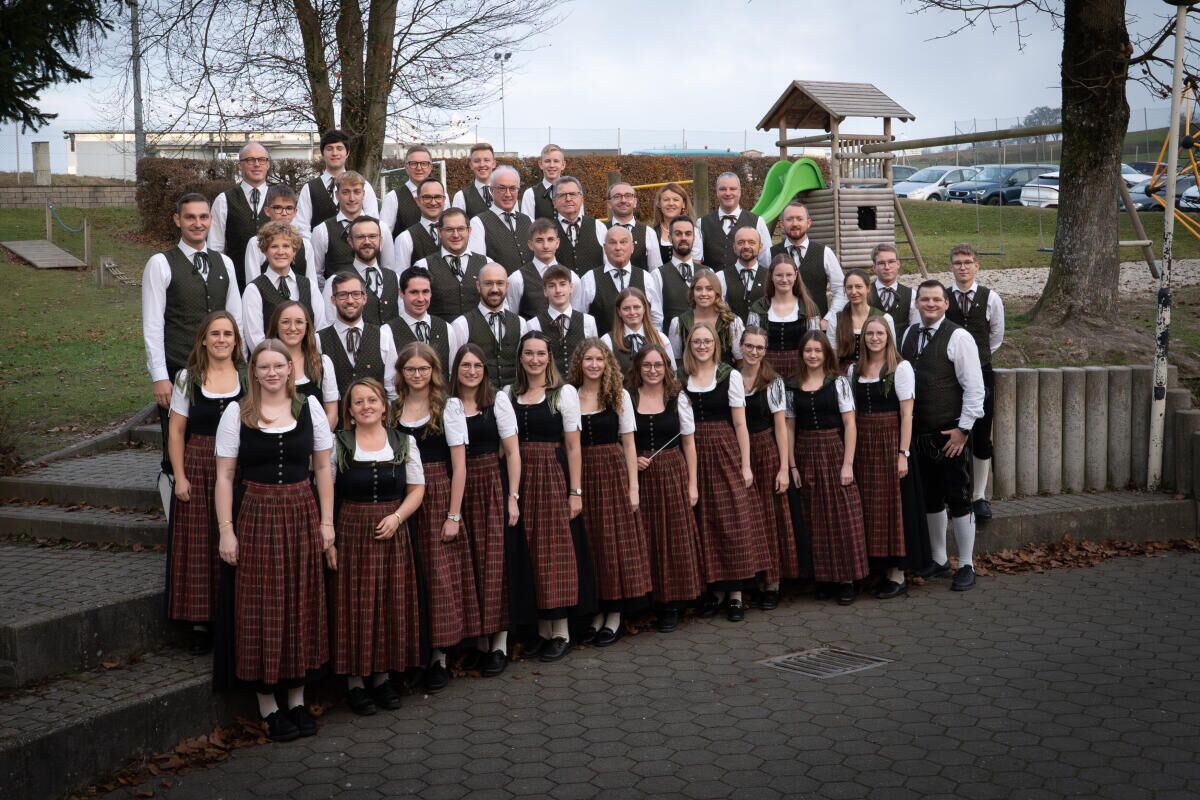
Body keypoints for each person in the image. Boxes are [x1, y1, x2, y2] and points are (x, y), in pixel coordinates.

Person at [213, 339, 335, 742]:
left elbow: (323, 468)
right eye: (263, 366)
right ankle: (268, 704)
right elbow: (224, 476)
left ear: (289, 369)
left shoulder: (310, 407)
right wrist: (226, 530)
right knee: (261, 603)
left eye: (278, 366)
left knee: (300, 600)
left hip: (301, 512)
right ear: (254, 372)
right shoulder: (238, 412)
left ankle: (297, 699)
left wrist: (327, 523)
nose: (271, 373)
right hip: (256, 514)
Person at [142, 192, 243, 515]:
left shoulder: (224, 262)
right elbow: (152, 324)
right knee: (176, 444)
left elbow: (235, 318)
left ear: (210, 220)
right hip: (178, 367)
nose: (198, 223)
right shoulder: (161, 263)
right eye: (190, 217)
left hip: (222, 372)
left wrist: (239, 365)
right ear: (178, 220)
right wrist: (159, 376)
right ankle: (177, 517)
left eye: (203, 217)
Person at [330, 378, 425, 716]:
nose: (366, 406)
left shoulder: (404, 442)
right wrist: (329, 540)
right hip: (351, 530)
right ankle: (356, 683)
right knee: (354, 605)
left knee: (388, 602)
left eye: (372, 400)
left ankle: (383, 678)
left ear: (385, 406)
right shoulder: (338, 444)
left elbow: (417, 489)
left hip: (392, 530)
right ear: (350, 410)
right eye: (358, 402)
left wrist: (397, 518)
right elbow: (326, 491)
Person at [393, 342, 480, 692]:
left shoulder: (448, 407)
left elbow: (459, 466)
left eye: (423, 369)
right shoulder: (393, 408)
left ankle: (439, 657)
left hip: (438, 491)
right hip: (402, 494)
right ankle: (414, 655)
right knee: (410, 576)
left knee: (438, 576)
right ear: (401, 373)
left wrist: (453, 515)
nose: (417, 375)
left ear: (433, 371)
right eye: (410, 369)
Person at [507, 331, 594, 662]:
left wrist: (575, 491)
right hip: (521, 475)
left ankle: (561, 631)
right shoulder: (511, 394)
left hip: (552, 475)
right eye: (528, 353)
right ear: (520, 357)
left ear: (549, 357)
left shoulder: (562, 393)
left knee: (554, 550)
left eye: (540, 353)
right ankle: (541, 630)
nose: (534, 359)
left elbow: (573, 446)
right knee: (529, 550)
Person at [166, 311, 245, 655]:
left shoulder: (247, 376)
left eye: (228, 334)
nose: (221, 340)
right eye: (215, 333)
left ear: (236, 341)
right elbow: (176, 430)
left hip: (237, 465)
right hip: (199, 462)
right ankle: (200, 621)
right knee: (201, 540)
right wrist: (180, 476)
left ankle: (232, 614)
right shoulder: (189, 377)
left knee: (234, 535)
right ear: (203, 340)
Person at [450, 345, 530, 677]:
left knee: (494, 562)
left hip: (491, 486)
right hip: (459, 488)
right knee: (469, 564)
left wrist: (513, 496)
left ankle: (499, 644)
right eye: (465, 365)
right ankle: (479, 643)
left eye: (477, 365)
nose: (472, 371)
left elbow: (512, 452)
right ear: (456, 369)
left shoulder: (497, 401)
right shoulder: (449, 404)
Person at [900, 280, 985, 592]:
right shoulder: (909, 334)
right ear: (917, 303)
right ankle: (938, 558)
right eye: (925, 299)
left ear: (946, 303)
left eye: (937, 299)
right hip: (919, 434)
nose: (931, 304)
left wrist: (963, 430)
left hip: (951, 433)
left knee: (959, 498)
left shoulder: (959, 337)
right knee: (931, 498)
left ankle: (966, 564)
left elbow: (975, 388)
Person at [568, 339, 651, 646]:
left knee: (612, 543)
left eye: (599, 359)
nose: (594, 365)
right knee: (591, 542)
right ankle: (597, 611)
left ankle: (614, 614)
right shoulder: (571, 395)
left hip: (613, 471)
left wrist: (633, 487)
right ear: (580, 363)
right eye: (588, 359)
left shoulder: (619, 395)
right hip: (583, 472)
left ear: (607, 363)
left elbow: (629, 444)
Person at [682, 322, 762, 622]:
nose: (702, 346)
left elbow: (740, 423)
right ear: (689, 345)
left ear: (716, 344)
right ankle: (715, 591)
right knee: (706, 519)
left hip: (724, 448)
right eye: (697, 341)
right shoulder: (682, 377)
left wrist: (745, 464)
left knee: (732, 519)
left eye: (707, 341)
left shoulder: (730, 375)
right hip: (693, 450)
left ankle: (736, 593)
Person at [850, 317, 930, 599]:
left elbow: (907, 414)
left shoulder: (900, 368)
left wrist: (902, 453)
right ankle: (878, 569)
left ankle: (897, 574)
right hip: (864, 444)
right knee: (871, 506)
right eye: (869, 333)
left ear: (889, 336)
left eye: (880, 333)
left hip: (890, 440)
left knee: (893, 506)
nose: (874, 338)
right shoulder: (854, 369)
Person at [788, 331, 868, 606]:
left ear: (826, 354)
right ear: (801, 354)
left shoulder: (838, 382)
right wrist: (792, 465)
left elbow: (850, 424)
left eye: (817, 351)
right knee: (813, 514)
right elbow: (789, 427)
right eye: (808, 350)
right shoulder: (792, 385)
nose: (812, 355)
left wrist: (848, 464)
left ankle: (846, 580)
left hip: (833, 448)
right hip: (805, 450)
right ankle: (823, 578)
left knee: (841, 514)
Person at [626, 345, 703, 632]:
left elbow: (689, 443)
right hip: (642, 478)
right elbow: (622, 440)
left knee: (672, 537)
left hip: (672, 473)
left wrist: (692, 485)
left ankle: (671, 603)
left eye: (658, 365)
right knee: (645, 536)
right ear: (638, 368)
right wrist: (633, 459)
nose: (653, 370)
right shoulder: (628, 397)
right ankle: (649, 601)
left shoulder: (677, 398)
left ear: (666, 367)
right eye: (647, 365)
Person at [738, 326, 798, 611]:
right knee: (745, 517)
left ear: (765, 351)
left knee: (769, 517)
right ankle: (750, 579)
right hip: (736, 452)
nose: (754, 352)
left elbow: (781, 427)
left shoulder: (773, 382)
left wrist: (784, 468)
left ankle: (772, 583)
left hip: (765, 451)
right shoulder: (731, 377)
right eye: (749, 346)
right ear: (741, 347)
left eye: (759, 347)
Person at [944, 244, 1004, 521]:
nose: (963, 267)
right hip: (950, 376)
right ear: (951, 267)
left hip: (982, 372)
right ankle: (955, 494)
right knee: (952, 432)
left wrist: (976, 359)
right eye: (957, 263)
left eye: (968, 262)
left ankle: (979, 496)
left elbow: (996, 336)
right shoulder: (943, 298)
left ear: (977, 265)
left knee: (981, 433)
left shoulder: (991, 298)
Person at [317, 271, 399, 402]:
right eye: (343, 295)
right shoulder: (318, 340)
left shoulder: (383, 336)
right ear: (333, 300)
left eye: (356, 294)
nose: (350, 301)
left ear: (364, 298)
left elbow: (392, 389)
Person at [242, 221, 325, 351]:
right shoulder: (254, 290)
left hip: (307, 359)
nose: (280, 252)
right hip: (270, 362)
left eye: (286, 246)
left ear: (294, 251)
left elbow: (320, 330)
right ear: (265, 251)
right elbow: (255, 339)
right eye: (274, 246)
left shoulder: (310, 286)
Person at [575, 225, 664, 338]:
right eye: (613, 243)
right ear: (605, 248)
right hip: (604, 347)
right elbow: (581, 320)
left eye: (623, 242)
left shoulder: (646, 278)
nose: (618, 247)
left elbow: (656, 319)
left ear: (632, 247)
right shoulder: (589, 279)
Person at [451, 263, 528, 388]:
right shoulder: (461, 324)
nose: (494, 289)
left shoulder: (521, 323)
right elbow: (453, 369)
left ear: (507, 286)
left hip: (513, 396)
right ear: (478, 286)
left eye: (500, 283)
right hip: (478, 396)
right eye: (488, 283)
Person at [747, 253, 821, 381]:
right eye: (779, 275)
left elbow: (815, 344)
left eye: (789, 275)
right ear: (771, 276)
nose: (784, 279)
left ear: (796, 275)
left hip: (801, 370)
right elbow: (751, 343)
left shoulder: (808, 307)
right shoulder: (759, 308)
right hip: (766, 370)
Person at [208, 142, 271, 290]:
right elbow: (215, 245)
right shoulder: (224, 200)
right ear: (239, 166)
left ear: (268, 165)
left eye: (261, 160)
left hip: (275, 282)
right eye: (250, 160)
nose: (257, 164)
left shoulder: (279, 198)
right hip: (236, 282)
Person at [311, 173, 395, 284]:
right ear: (337, 195)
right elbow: (316, 275)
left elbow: (388, 269)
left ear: (363, 194)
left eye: (357, 192)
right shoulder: (322, 231)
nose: (352, 198)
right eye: (345, 192)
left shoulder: (381, 228)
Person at [267, 301, 339, 429]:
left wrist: (319, 441)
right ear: (276, 326)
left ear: (307, 327)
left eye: (299, 322)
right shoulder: (263, 364)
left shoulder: (322, 364)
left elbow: (332, 413)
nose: (292, 328)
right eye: (285, 322)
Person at [296, 129, 379, 237]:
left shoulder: (364, 186)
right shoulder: (309, 188)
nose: (335, 153)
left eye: (339, 148)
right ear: (322, 153)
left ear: (347, 153)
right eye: (329, 149)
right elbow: (302, 228)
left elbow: (373, 222)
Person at [320, 217, 399, 327]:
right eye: (360, 237)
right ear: (350, 242)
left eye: (372, 236)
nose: (367, 241)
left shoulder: (395, 278)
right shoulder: (335, 280)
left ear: (380, 240)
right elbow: (328, 326)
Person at [770, 202, 846, 317]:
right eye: (789, 219)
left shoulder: (825, 253)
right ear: (781, 224)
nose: (795, 223)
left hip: (816, 324)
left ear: (808, 223)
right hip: (781, 323)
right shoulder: (769, 254)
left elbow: (841, 289)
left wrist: (829, 319)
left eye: (799, 219)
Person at [387, 266, 461, 379]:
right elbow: (390, 381)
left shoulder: (447, 328)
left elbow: (452, 374)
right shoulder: (387, 332)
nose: (421, 299)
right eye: (414, 292)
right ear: (401, 293)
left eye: (425, 292)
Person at [415, 208, 486, 323]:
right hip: (440, 332)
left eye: (461, 229)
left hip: (477, 332)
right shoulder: (423, 266)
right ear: (439, 232)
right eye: (449, 230)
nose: (456, 235)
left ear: (469, 231)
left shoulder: (487, 264)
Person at [528, 265, 597, 376]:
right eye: (552, 286)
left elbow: (594, 357)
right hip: (549, 385)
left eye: (562, 284)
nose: (558, 290)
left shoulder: (588, 321)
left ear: (571, 287)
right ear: (545, 291)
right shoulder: (533, 324)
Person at [244, 186, 318, 286]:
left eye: (289, 208)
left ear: (295, 212)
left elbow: (312, 284)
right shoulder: (256, 243)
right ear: (267, 211)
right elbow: (253, 284)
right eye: (277, 208)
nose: (284, 213)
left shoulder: (305, 245)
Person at [506, 218, 580, 319]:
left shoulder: (572, 278)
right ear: (530, 245)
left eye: (550, 239)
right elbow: (512, 319)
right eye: (539, 240)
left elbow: (577, 316)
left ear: (557, 243)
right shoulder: (517, 279)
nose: (545, 246)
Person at [669, 268, 745, 366]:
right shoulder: (679, 323)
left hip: (723, 374)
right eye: (698, 289)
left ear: (717, 292)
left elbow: (741, 361)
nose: (703, 294)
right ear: (692, 292)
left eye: (709, 289)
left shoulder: (731, 322)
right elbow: (677, 361)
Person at [826, 268, 895, 374]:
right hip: (844, 375)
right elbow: (832, 356)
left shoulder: (885, 318)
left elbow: (891, 353)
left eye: (858, 286)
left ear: (868, 288)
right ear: (844, 290)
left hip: (876, 374)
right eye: (849, 287)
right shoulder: (836, 319)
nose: (854, 292)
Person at [699, 172, 771, 271]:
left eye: (732, 189)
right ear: (717, 192)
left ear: (740, 192)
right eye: (723, 189)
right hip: (712, 280)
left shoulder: (758, 222)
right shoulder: (701, 223)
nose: (728, 193)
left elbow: (767, 262)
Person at [468, 165, 533, 274]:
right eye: (502, 188)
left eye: (512, 188)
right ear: (491, 190)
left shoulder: (530, 221)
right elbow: (478, 266)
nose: (508, 194)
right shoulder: (478, 223)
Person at [600, 287, 676, 375]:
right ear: (619, 311)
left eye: (636, 307)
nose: (632, 312)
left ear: (644, 308)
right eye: (626, 308)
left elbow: (672, 374)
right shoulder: (607, 341)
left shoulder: (661, 338)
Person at [381, 145, 446, 236]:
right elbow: (384, 235)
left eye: (424, 163)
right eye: (413, 163)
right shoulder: (392, 197)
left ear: (430, 167)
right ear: (406, 167)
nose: (419, 168)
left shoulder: (442, 195)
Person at [551, 176, 607, 276]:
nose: (568, 199)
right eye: (562, 195)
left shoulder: (598, 227)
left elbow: (608, 264)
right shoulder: (547, 230)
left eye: (572, 194)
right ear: (554, 202)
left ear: (582, 199)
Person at [393, 178, 451, 272]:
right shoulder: (405, 238)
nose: (433, 202)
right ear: (417, 201)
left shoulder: (457, 234)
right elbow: (401, 276)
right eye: (427, 197)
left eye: (438, 197)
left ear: (444, 200)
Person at [659, 215, 702, 336]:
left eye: (688, 234)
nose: (683, 238)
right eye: (678, 234)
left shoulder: (708, 272)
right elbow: (656, 318)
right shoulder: (658, 275)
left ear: (694, 238)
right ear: (670, 238)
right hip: (670, 342)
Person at [606, 182, 663, 271]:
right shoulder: (600, 230)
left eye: (628, 196)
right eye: (617, 196)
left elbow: (655, 270)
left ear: (635, 202)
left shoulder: (648, 232)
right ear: (609, 203)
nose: (623, 200)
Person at [722, 227, 769, 321]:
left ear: (760, 247)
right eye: (741, 242)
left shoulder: (771, 276)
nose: (746, 246)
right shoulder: (721, 277)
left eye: (751, 242)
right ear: (734, 247)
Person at [867, 243, 916, 333]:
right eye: (881, 263)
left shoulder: (911, 295)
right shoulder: (864, 293)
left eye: (891, 262)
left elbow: (914, 327)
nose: (887, 267)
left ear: (898, 264)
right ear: (874, 267)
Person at [651, 183, 703, 266]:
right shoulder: (650, 233)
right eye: (666, 200)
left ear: (683, 204)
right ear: (659, 204)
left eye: (676, 200)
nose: (671, 203)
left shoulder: (694, 232)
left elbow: (696, 266)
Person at [520, 144, 565, 221]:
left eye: (556, 161)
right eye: (547, 161)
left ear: (563, 165)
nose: (552, 165)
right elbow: (527, 225)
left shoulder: (574, 193)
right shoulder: (530, 194)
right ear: (540, 164)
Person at [451, 142, 497, 219]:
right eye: (477, 161)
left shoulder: (506, 192)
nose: (482, 164)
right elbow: (456, 224)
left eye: (486, 160)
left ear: (494, 164)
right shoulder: (461, 196)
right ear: (471, 165)